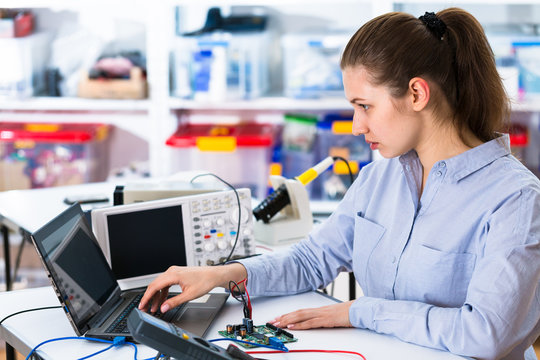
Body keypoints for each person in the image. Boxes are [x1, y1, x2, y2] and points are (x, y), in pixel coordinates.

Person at [139, 8, 540, 360]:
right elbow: (311, 260)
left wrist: (358, 311)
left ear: (417, 94)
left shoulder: (514, 199)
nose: (356, 126)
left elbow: (485, 334)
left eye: (365, 106)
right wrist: (221, 275)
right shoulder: (379, 177)